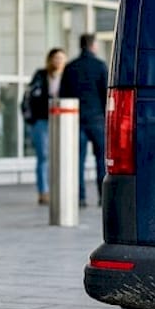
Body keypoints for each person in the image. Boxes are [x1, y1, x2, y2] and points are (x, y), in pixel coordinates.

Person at [60, 33, 108, 206]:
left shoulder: (70, 67)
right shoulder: (100, 66)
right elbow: (106, 94)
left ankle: (80, 197)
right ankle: (103, 196)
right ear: (92, 45)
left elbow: (63, 95)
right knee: (101, 160)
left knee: (77, 162)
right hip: (97, 119)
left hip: (75, 120)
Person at [23, 47, 66, 205]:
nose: (59, 61)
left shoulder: (67, 76)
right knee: (43, 156)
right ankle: (43, 191)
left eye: (62, 58)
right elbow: (28, 95)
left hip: (62, 120)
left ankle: (60, 188)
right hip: (41, 120)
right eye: (56, 58)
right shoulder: (41, 75)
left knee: (61, 156)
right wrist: (30, 118)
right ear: (50, 60)